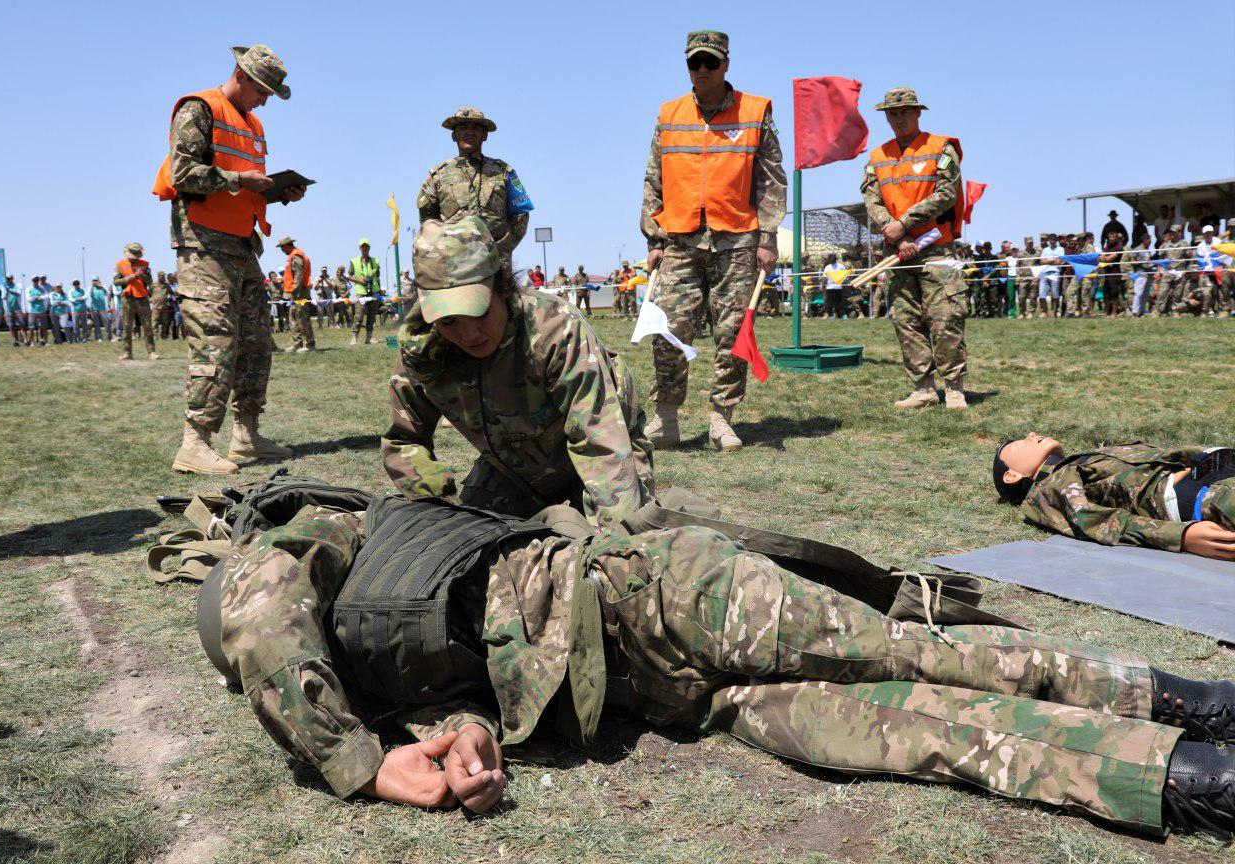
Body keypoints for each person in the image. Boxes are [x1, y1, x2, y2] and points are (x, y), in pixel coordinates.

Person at [208, 493, 1235, 842]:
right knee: (918, 733)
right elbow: (477, 681)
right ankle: (1184, 778)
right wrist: (464, 741)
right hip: (676, 702)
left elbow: (260, 619)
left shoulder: (311, 545)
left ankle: (1186, 700)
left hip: (651, 593)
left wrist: (355, 761)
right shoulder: (385, 661)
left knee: (921, 648)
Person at [382, 216, 654, 529]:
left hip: (607, 446)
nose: (469, 334)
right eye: (449, 321)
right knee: (472, 536)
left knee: (622, 545)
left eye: (479, 312)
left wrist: (613, 538)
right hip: (514, 466)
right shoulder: (423, 350)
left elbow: (601, 443)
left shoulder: (554, 329)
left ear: (503, 286)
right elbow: (404, 441)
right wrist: (435, 503)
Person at [151, 44, 302, 474]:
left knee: (257, 342)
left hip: (242, 244)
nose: (267, 99)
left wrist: (276, 191)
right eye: (264, 89)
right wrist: (240, 179)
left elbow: (244, 182)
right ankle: (195, 443)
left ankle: (246, 434)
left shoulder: (252, 123)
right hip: (203, 244)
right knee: (215, 341)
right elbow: (183, 174)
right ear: (242, 75)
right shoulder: (199, 109)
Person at [640, 31, 787, 451]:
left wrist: (768, 235)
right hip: (680, 239)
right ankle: (665, 419)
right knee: (670, 331)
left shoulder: (755, 111)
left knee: (732, 332)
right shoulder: (669, 114)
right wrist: (654, 238)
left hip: (738, 238)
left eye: (710, 62)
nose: (702, 70)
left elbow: (771, 177)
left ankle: (722, 419)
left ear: (726, 65)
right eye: (695, 62)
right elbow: (654, 180)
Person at [860, 87, 969, 410]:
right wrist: (893, 231)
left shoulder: (940, 147)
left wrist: (904, 223)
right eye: (892, 113)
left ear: (918, 113)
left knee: (946, 316)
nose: (898, 118)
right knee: (905, 319)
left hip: (937, 246)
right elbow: (871, 198)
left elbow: (946, 193)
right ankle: (922, 388)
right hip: (896, 248)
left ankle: (953, 388)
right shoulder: (877, 156)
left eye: (905, 111)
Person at [993, 434, 1235, 560]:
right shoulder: (1050, 487)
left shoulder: (1088, 455)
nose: (1032, 434)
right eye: (1017, 445)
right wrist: (1181, 536)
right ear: (1012, 476)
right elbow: (1096, 521)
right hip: (1210, 495)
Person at [418, 107, 531, 268]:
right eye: (463, 128)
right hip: (454, 267)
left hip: (496, 266)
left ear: (485, 135)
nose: (469, 132)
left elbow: (521, 214)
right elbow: (428, 221)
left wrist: (501, 249)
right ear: (454, 135)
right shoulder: (438, 176)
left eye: (476, 128)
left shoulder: (503, 172)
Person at [113, 243, 158, 360]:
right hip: (127, 298)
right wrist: (128, 278)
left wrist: (142, 277)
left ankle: (151, 352)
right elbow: (116, 282)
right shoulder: (120, 265)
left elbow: (150, 281)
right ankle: (127, 353)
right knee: (127, 326)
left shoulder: (145, 265)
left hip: (142, 298)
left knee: (147, 325)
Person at [277, 236, 315, 353]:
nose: (282, 250)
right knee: (293, 318)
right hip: (293, 293)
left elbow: (298, 275)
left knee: (302, 318)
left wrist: (295, 292)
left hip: (299, 292)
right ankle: (297, 344)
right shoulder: (292, 255)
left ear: (287, 246)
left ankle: (309, 344)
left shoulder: (296, 255)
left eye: (282, 248)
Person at [346, 238, 381, 346]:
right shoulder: (354, 261)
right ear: (360, 248)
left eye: (366, 246)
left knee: (371, 316)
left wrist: (379, 290)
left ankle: (368, 338)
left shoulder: (375, 261)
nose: (365, 248)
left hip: (374, 292)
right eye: (363, 246)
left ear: (369, 248)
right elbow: (349, 276)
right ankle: (354, 338)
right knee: (359, 316)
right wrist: (360, 281)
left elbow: (378, 275)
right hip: (361, 292)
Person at [1155, 226, 1189, 317]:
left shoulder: (1185, 245)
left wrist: (1186, 271)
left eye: (1174, 232)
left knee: (1177, 294)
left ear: (1179, 232)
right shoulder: (1164, 245)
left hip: (1180, 272)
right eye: (1171, 232)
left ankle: (1175, 311)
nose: (1172, 234)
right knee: (1162, 292)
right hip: (1167, 272)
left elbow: (1190, 259)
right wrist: (1159, 271)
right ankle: (1158, 311)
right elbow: (1160, 259)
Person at [1037, 234, 1063, 318]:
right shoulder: (1045, 250)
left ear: (1056, 240)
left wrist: (1047, 260)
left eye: (1054, 239)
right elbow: (1041, 261)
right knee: (1041, 294)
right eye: (1050, 239)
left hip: (1055, 272)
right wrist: (1052, 260)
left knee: (1055, 294)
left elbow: (1059, 262)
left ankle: (1054, 313)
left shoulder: (1060, 249)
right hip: (1044, 272)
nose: (1052, 241)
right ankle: (1045, 312)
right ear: (1049, 240)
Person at [26, 277, 50, 346]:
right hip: (32, 311)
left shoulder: (43, 288)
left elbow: (46, 296)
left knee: (44, 327)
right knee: (31, 328)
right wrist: (39, 297)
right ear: (32, 281)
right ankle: (32, 342)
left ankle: (45, 341)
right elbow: (29, 299)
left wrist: (36, 297)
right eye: (34, 280)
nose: (36, 281)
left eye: (37, 280)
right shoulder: (28, 289)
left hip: (42, 311)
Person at [821, 254, 845, 319]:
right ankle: (841, 315)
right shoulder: (841, 266)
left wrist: (823, 284)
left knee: (830, 303)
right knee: (839, 302)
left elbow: (824, 278)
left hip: (829, 287)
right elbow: (845, 276)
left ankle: (831, 316)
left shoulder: (827, 267)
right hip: (838, 287)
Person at [89, 278, 111, 342]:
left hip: (102, 308)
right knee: (96, 323)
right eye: (94, 281)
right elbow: (90, 295)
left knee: (106, 322)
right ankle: (99, 338)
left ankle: (109, 337)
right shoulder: (91, 288)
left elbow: (107, 294)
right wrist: (93, 286)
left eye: (96, 280)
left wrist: (102, 287)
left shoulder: (102, 287)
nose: (95, 282)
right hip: (94, 308)